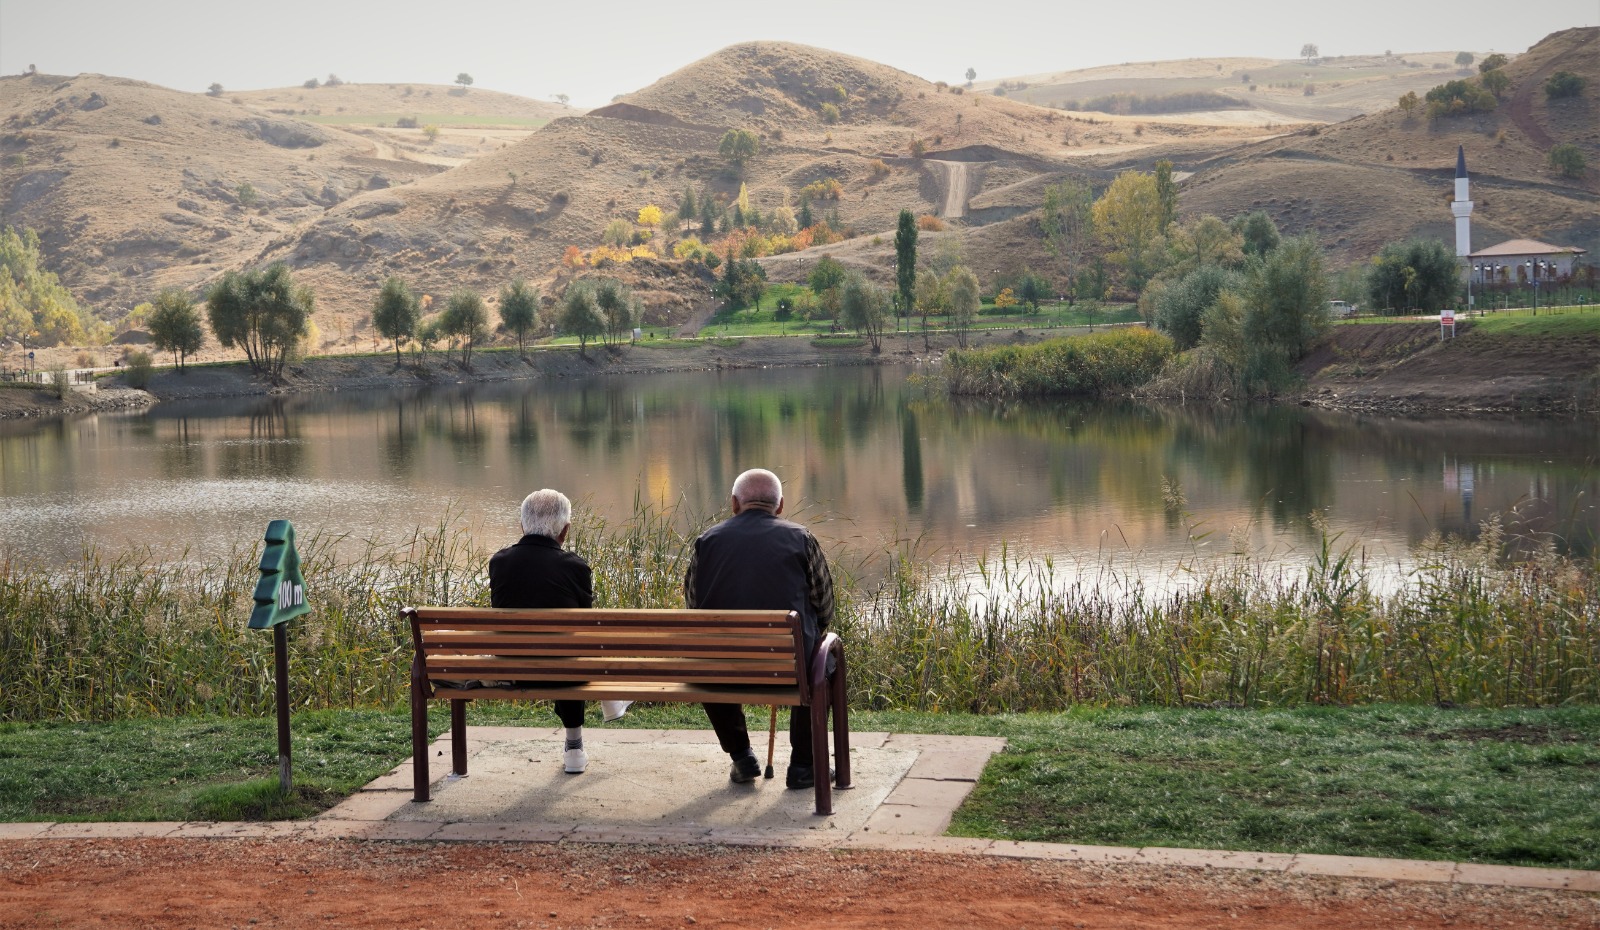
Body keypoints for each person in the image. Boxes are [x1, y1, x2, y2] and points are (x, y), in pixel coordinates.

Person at [684, 468, 835, 787]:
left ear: (734, 503)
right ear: (780, 506)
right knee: (825, 662)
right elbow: (824, 604)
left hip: (722, 667)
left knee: (706, 660)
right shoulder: (801, 538)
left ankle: (741, 755)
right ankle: (804, 766)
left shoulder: (706, 541)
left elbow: (693, 606)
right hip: (788, 664)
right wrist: (812, 632)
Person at [487, 488, 630, 775]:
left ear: (522, 526)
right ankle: (574, 747)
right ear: (565, 531)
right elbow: (585, 626)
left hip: (512, 667)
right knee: (570, 651)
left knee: (565, 651)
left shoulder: (499, 563)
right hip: (564, 669)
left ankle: (576, 744)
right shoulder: (575, 567)